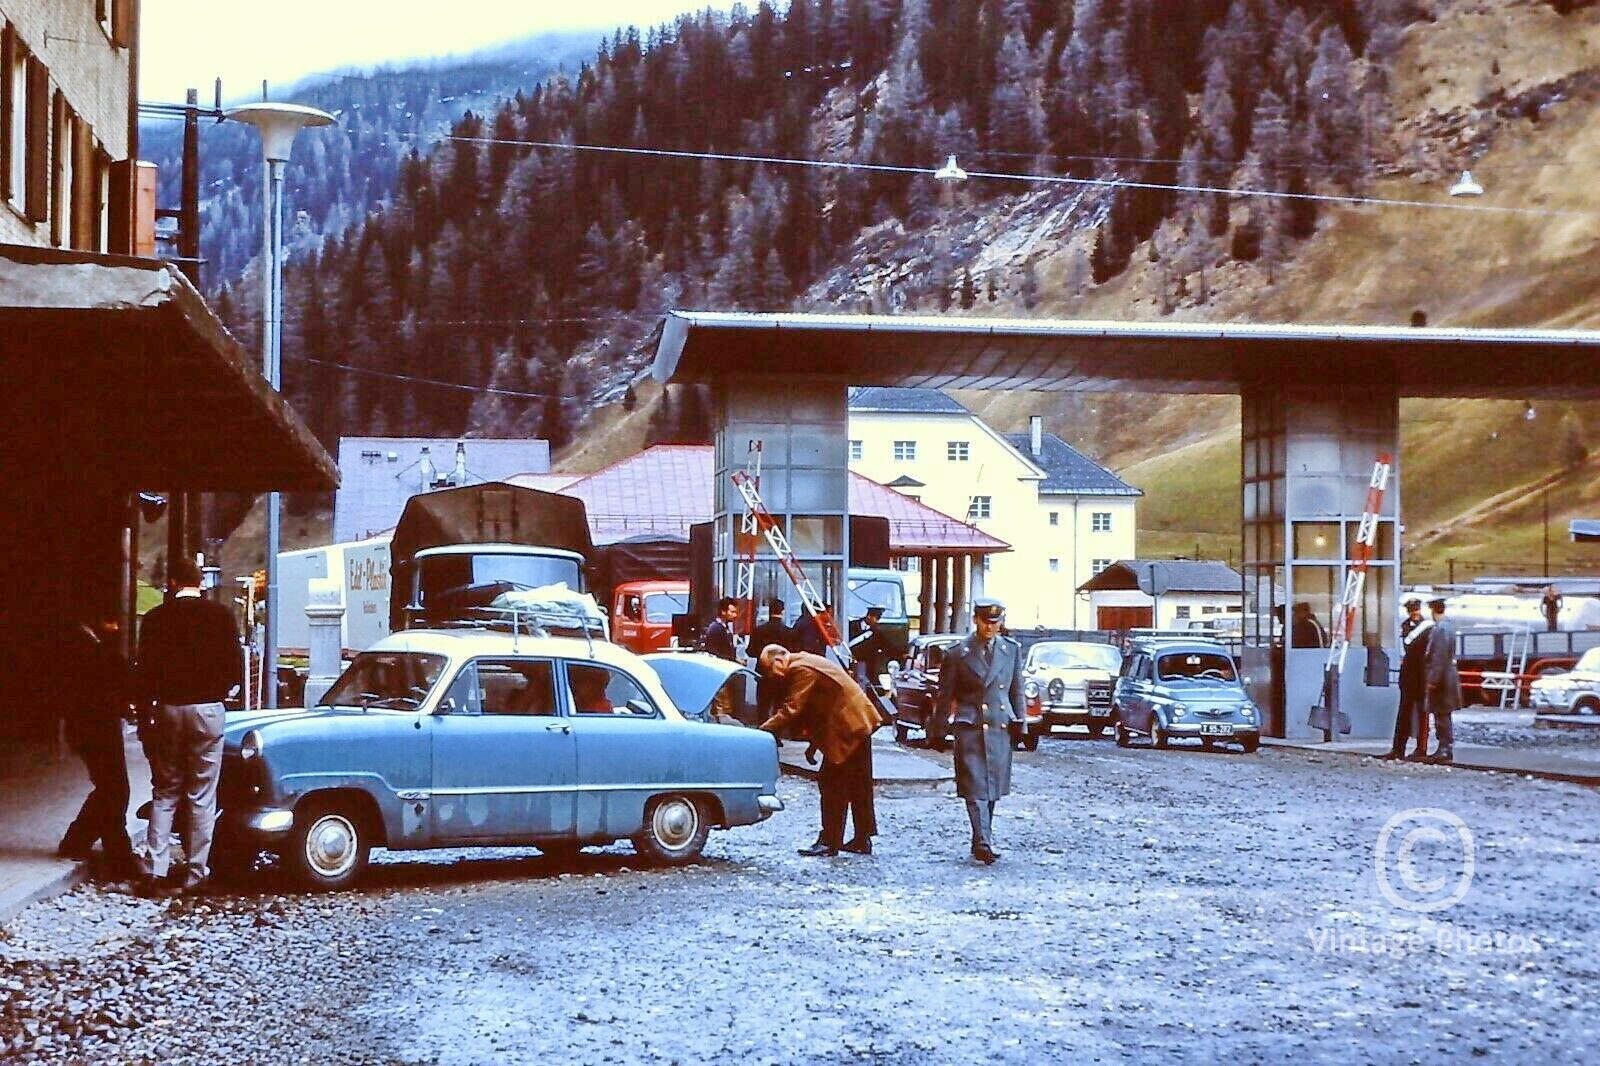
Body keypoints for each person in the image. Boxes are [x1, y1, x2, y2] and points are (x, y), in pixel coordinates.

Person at [136, 557, 241, 895]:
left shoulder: (155, 619)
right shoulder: (221, 617)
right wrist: (222, 690)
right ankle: (196, 872)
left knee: (166, 791)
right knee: (201, 795)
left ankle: (156, 869)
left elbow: (145, 669)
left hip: (169, 708)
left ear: (171, 582)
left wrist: (145, 710)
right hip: (208, 708)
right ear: (200, 582)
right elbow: (235, 666)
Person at [757, 644, 879, 857]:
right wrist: (815, 745)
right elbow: (820, 706)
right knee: (859, 784)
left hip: (847, 728)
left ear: (778, 661)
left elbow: (793, 708)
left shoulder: (800, 669)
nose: (774, 677)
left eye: (771, 671)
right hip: (856, 723)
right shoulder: (806, 659)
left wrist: (761, 731)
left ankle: (829, 841)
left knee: (831, 783)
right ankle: (862, 837)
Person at [932, 598, 1024, 865]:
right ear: (975, 620)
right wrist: (938, 730)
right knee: (975, 787)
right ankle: (983, 842)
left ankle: (980, 839)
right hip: (970, 727)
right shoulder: (958, 653)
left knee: (992, 788)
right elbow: (945, 694)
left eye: (995, 623)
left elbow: (1016, 688)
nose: (990, 627)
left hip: (999, 725)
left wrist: (1021, 723)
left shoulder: (1011, 650)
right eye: (986, 622)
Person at [57, 618, 138, 880]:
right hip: (100, 727)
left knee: (109, 788)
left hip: (84, 727)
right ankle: (116, 855)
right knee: (114, 788)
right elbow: (123, 679)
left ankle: (82, 841)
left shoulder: (74, 655)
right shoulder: (99, 655)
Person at [1382, 597, 1431, 761]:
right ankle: (1399, 748)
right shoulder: (1408, 626)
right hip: (1411, 675)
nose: (1413, 612)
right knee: (1405, 713)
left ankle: (1420, 748)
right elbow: (1409, 646)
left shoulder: (1426, 627)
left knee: (1422, 714)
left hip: (1421, 674)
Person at [1422, 597, 1462, 765]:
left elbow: (1439, 656)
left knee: (1441, 713)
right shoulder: (1448, 626)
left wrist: (1432, 679)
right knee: (1443, 713)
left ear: (1433, 610)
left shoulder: (1441, 629)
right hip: (1446, 677)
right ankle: (1444, 747)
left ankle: (1444, 748)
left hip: (1442, 679)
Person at [848, 605, 890, 691]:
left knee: (862, 680)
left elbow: (886, 645)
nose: (877, 621)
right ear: (869, 616)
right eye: (876, 618)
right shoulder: (851, 625)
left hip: (865, 662)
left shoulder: (875, 631)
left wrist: (901, 654)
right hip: (849, 658)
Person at [700, 597, 740, 662]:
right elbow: (714, 652)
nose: (735, 615)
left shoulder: (725, 627)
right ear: (723, 611)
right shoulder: (715, 628)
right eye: (732, 612)